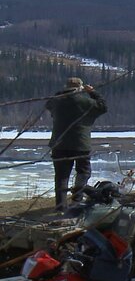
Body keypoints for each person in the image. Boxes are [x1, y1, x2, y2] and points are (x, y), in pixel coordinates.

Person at [46, 77, 107, 209]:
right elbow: (103, 106)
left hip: (59, 144)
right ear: (80, 88)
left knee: (61, 176)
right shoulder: (86, 101)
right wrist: (92, 92)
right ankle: (77, 199)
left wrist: (62, 93)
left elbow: (48, 103)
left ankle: (61, 206)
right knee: (83, 172)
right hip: (81, 144)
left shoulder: (57, 101)